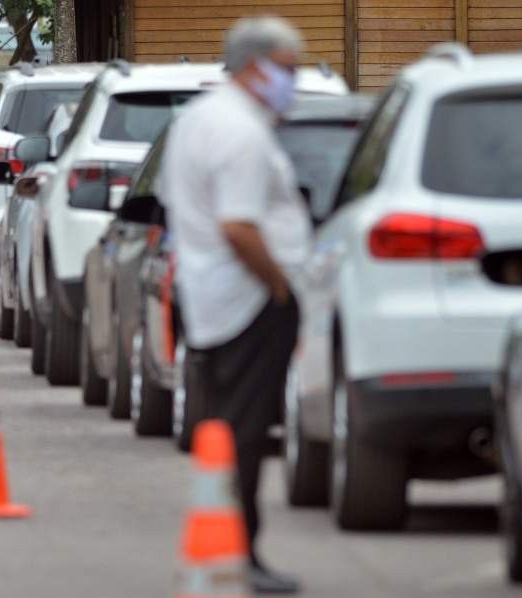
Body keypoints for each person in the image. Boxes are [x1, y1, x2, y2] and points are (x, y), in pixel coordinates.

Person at [162, 16, 309, 595]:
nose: (292, 83)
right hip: (250, 300)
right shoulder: (240, 132)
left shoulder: (201, 119)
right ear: (258, 67)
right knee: (247, 432)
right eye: (289, 70)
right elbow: (240, 226)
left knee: (231, 428)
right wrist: (279, 284)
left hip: (212, 297)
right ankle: (239, 550)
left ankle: (230, 541)